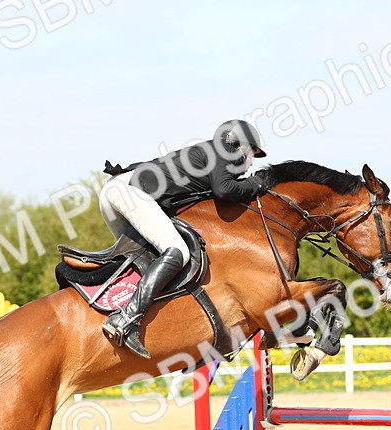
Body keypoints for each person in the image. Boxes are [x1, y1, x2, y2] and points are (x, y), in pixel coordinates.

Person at [98, 119, 268, 358]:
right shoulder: (222, 154)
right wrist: (256, 183)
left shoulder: (209, 154)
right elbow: (225, 190)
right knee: (177, 251)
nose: (250, 164)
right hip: (129, 191)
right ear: (240, 146)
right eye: (252, 154)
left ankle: (128, 313)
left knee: (149, 260)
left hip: (119, 190)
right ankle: (125, 319)